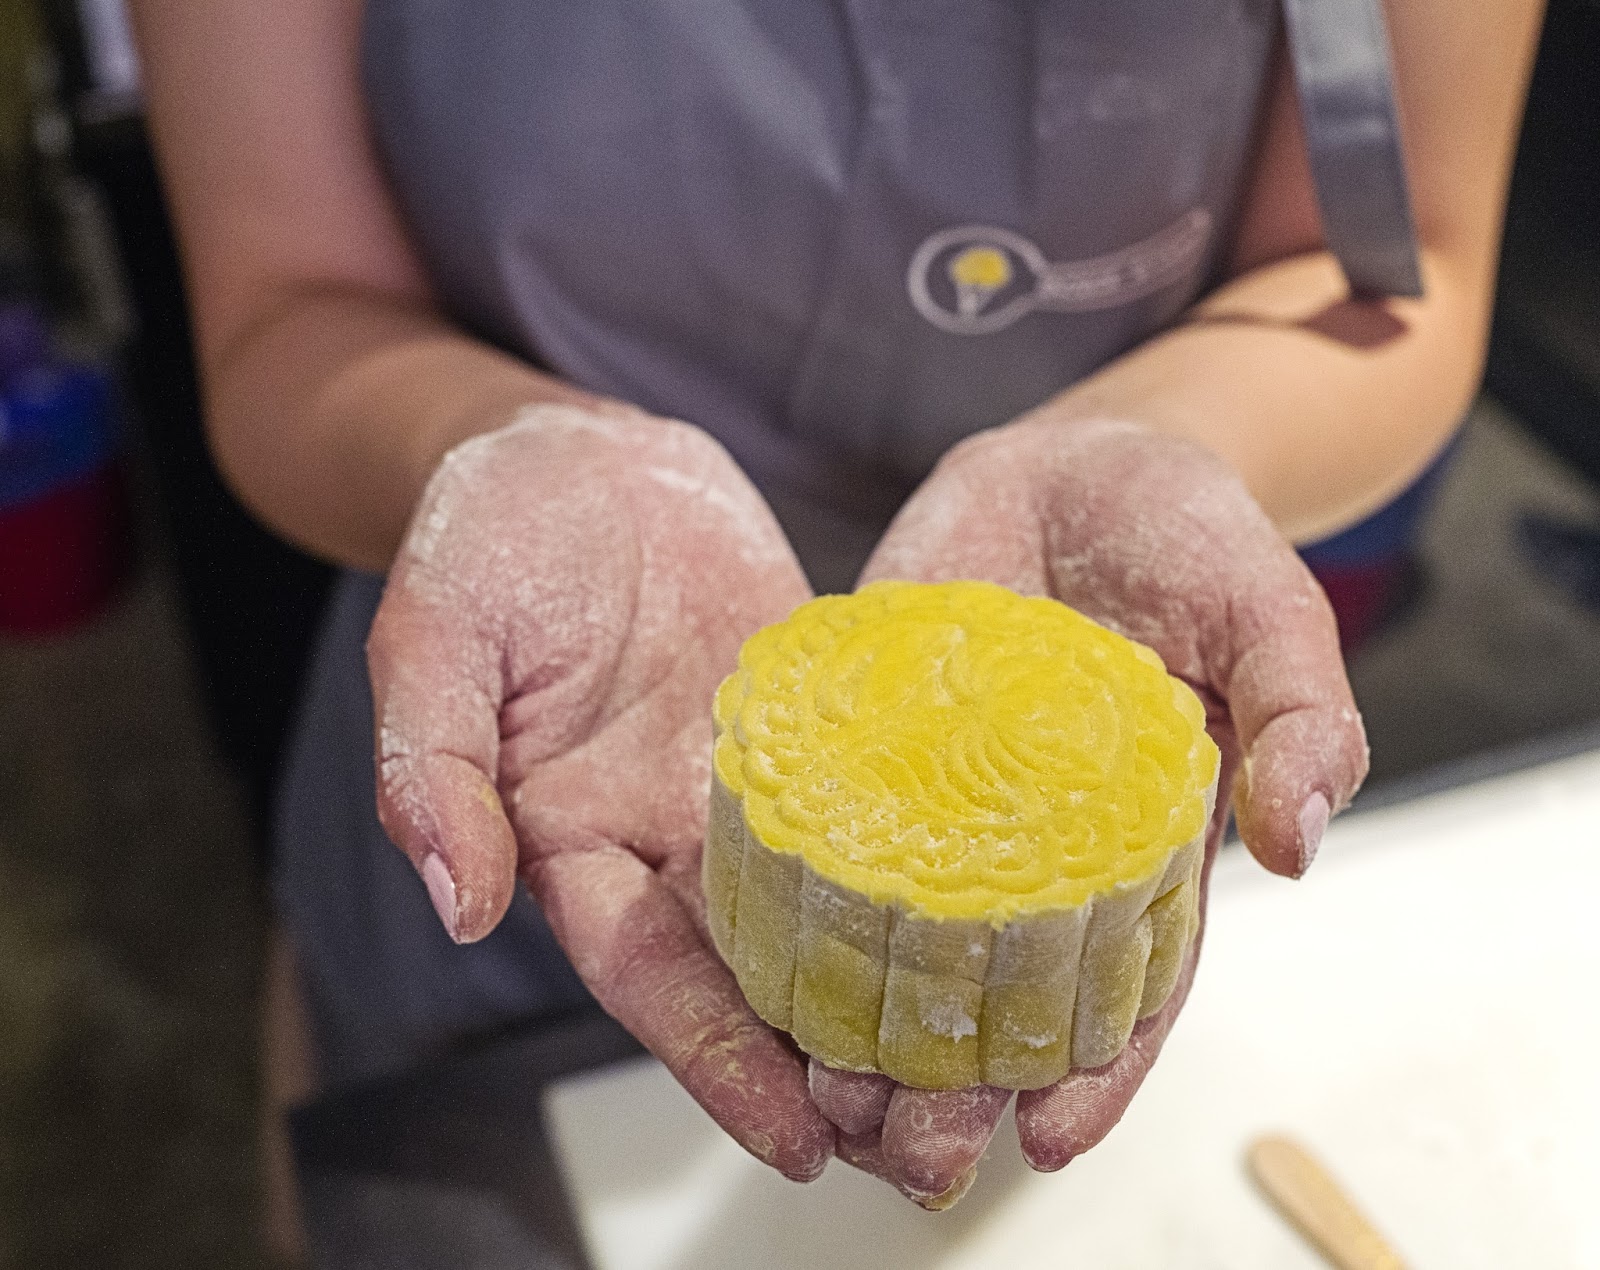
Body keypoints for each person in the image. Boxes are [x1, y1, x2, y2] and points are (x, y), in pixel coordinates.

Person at [130, 0, 1541, 1247]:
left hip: (1042, 879)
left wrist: (1162, 438)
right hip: (547, 705)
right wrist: (491, 444)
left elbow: (1398, 257)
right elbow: (283, 304)